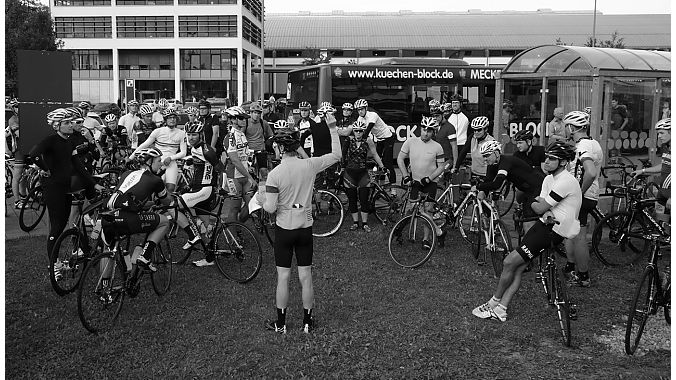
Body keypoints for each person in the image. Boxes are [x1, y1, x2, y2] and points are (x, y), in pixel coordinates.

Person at [472, 141, 581, 322]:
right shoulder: (548, 179)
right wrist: (540, 205)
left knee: (508, 262)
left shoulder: (566, 181)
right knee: (519, 266)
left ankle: (493, 303)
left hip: (553, 229)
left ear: (563, 162)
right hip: (546, 224)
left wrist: (535, 204)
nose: (546, 162)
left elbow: (539, 206)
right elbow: (541, 203)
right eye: (546, 157)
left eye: (552, 159)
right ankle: (501, 309)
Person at [260, 111, 342, 334]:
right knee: (306, 276)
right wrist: (332, 128)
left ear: (279, 148)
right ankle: (307, 322)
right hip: (305, 227)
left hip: (284, 229)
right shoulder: (310, 165)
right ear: (296, 146)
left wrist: (259, 198)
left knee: (283, 277)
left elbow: (269, 208)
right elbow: (336, 155)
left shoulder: (275, 174)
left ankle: (281, 324)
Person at [102, 147, 173, 272]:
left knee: (108, 249)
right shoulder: (155, 180)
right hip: (128, 219)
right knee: (164, 222)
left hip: (108, 215)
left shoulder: (126, 173)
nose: (161, 163)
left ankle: (104, 285)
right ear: (149, 162)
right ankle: (145, 256)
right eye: (158, 161)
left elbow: (132, 198)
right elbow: (167, 201)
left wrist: (147, 204)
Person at [171, 121, 225, 266]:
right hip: (199, 189)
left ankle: (191, 235)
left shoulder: (206, 150)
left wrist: (223, 187)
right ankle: (210, 257)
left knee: (173, 206)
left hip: (204, 190)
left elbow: (220, 167)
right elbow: (201, 164)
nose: (191, 137)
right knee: (204, 227)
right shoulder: (195, 148)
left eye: (194, 134)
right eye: (189, 134)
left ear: (200, 135)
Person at [29, 109, 78, 260]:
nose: (71, 125)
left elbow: (76, 164)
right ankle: (53, 264)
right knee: (56, 227)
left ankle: (56, 261)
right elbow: (34, 155)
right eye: (67, 123)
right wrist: (45, 169)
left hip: (66, 186)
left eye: (71, 122)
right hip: (53, 187)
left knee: (62, 224)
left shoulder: (69, 141)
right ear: (57, 126)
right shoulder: (50, 140)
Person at [563, 110, 603, 288]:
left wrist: (578, 192)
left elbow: (591, 172)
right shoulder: (593, 142)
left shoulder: (583, 146)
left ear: (571, 128)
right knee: (569, 232)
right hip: (590, 194)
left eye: (566, 127)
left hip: (583, 195)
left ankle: (583, 275)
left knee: (578, 236)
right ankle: (571, 267)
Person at [397, 116, 448, 249]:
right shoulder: (410, 142)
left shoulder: (437, 147)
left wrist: (430, 178)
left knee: (428, 210)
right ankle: (439, 232)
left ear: (433, 132)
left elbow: (441, 166)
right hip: (415, 182)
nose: (426, 133)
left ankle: (426, 239)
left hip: (430, 182)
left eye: (429, 131)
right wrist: (406, 176)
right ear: (420, 129)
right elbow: (400, 159)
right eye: (424, 130)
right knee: (412, 209)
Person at [475, 139, 545, 233]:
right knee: (525, 213)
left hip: (537, 186)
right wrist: (482, 190)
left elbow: (496, 184)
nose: (485, 159)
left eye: (487, 155)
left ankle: (531, 244)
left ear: (496, 153)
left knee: (528, 221)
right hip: (525, 188)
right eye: (483, 156)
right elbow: (489, 180)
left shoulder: (505, 162)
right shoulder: (492, 164)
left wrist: (478, 187)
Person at [342, 120, 386, 232]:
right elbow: (342, 154)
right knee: (352, 199)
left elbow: (375, 154)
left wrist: (382, 166)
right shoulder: (349, 140)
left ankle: (365, 223)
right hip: (349, 173)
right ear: (353, 131)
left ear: (363, 132)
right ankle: (355, 223)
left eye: (360, 131)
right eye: (356, 131)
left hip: (363, 174)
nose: (358, 133)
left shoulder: (368, 141)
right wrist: (342, 168)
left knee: (364, 199)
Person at [130, 108, 187, 194]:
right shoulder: (158, 131)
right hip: (157, 162)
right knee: (153, 187)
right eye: (169, 118)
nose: (172, 120)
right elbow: (144, 145)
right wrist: (131, 158)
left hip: (171, 162)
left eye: (174, 118)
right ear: (165, 119)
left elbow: (183, 152)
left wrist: (171, 158)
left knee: (170, 188)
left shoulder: (182, 134)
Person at [223, 106, 257, 223]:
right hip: (234, 176)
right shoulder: (230, 137)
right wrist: (250, 177)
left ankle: (239, 225)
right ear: (233, 119)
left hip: (244, 174)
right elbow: (235, 160)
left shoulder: (241, 134)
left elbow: (244, 156)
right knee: (235, 208)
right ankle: (233, 237)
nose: (244, 120)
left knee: (252, 206)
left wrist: (249, 166)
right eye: (241, 118)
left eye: (244, 118)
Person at [631, 118, 671, 212]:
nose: (659, 136)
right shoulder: (666, 147)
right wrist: (643, 171)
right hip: (662, 191)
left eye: (662, 133)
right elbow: (664, 166)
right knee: (660, 221)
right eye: (658, 134)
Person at [353, 99, 396, 185]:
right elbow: (358, 131)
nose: (360, 111)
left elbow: (367, 130)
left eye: (362, 109)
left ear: (366, 108)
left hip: (388, 138)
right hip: (379, 140)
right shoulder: (360, 118)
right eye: (358, 109)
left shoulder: (373, 115)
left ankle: (393, 188)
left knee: (387, 163)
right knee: (378, 163)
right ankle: (381, 184)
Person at [453, 116, 496, 181]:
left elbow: (493, 163)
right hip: (474, 174)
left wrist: (488, 179)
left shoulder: (490, 141)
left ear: (486, 129)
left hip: (486, 175)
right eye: (474, 130)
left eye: (479, 130)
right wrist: (456, 167)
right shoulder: (472, 137)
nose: (476, 132)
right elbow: (463, 152)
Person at [7, 98, 27, 209]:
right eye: (16, 106)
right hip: (19, 149)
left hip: (30, 147)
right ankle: (16, 201)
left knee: (26, 174)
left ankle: (24, 196)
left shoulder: (27, 118)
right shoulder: (13, 119)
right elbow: (20, 134)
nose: (19, 108)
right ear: (13, 108)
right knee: (17, 175)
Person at [245, 101, 274, 174]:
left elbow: (270, 135)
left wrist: (268, 142)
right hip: (250, 151)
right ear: (251, 113)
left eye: (258, 113)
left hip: (261, 149)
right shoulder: (246, 123)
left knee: (264, 171)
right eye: (255, 113)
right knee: (250, 171)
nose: (257, 115)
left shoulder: (263, 123)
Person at [432, 105, 458, 176]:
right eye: (433, 116)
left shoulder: (449, 127)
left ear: (442, 115)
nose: (435, 118)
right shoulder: (434, 127)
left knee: (440, 177)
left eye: (437, 116)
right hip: (437, 159)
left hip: (447, 159)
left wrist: (455, 165)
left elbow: (454, 146)